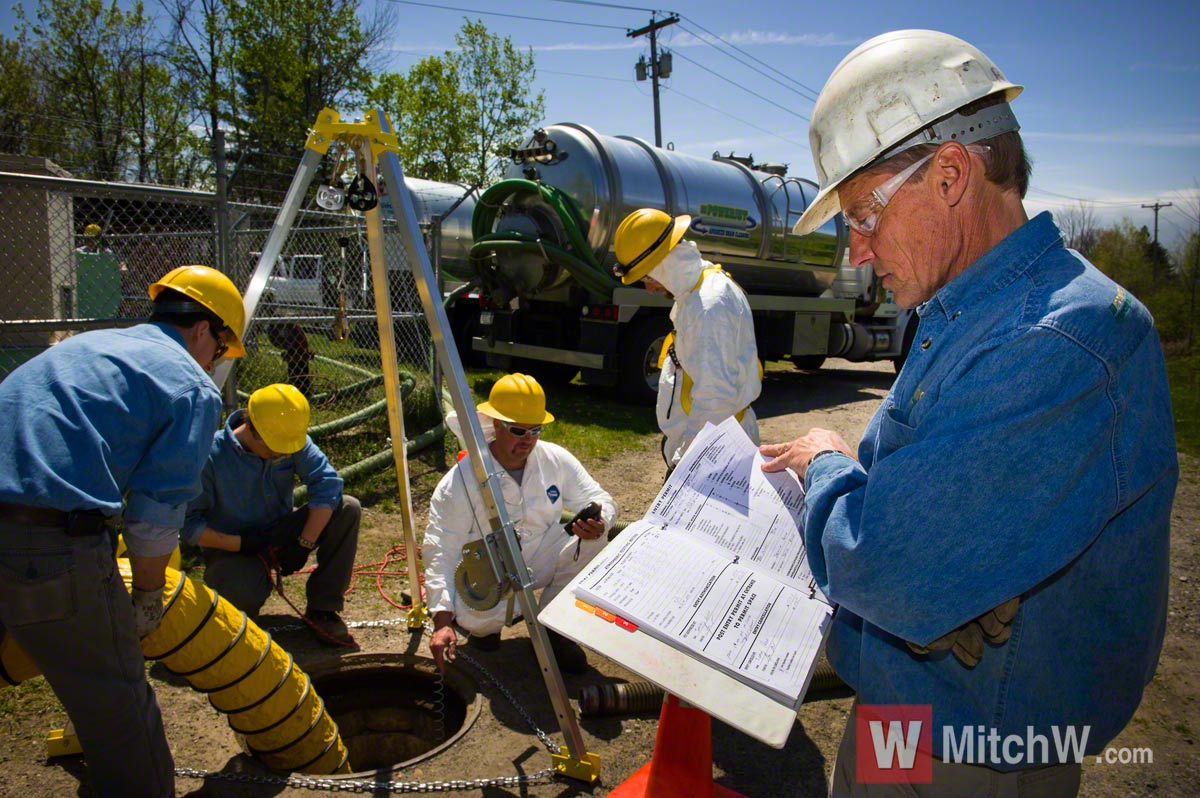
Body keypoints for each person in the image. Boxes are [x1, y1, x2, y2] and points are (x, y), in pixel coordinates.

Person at [759, 30, 1177, 796]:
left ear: (950, 174)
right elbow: (904, 518)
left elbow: (883, 566)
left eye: (863, 215)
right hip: (904, 717)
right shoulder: (964, 313)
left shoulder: (1063, 339)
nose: (855, 251)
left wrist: (826, 462)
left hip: (978, 754)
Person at [0, 264, 246, 798]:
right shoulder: (188, 386)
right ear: (206, 331)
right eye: (222, 351)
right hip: (47, 545)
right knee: (120, 707)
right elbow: (155, 518)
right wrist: (149, 596)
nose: (217, 364)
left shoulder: (90, 347)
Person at [425, 373, 617, 674]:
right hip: (490, 575)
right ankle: (485, 629)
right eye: (518, 430)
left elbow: (600, 496)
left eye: (535, 430)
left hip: (538, 558)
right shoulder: (461, 480)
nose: (528, 440)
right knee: (478, 622)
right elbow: (441, 549)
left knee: (596, 542)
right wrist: (442, 620)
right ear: (496, 426)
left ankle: (552, 627)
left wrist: (600, 520)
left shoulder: (554, 459)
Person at [183, 383, 360, 648]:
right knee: (237, 602)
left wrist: (304, 543)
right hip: (232, 545)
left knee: (347, 509)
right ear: (252, 429)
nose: (282, 454)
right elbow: (188, 526)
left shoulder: (287, 437)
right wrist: (243, 543)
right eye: (275, 450)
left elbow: (327, 484)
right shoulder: (208, 456)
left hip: (281, 531)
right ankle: (241, 601)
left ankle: (323, 609)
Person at [612, 208, 761, 473]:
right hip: (707, 446)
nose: (649, 288)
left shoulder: (708, 305)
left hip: (712, 454)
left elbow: (715, 398)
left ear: (665, 263)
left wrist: (690, 463)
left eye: (647, 277)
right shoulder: (695, 295)